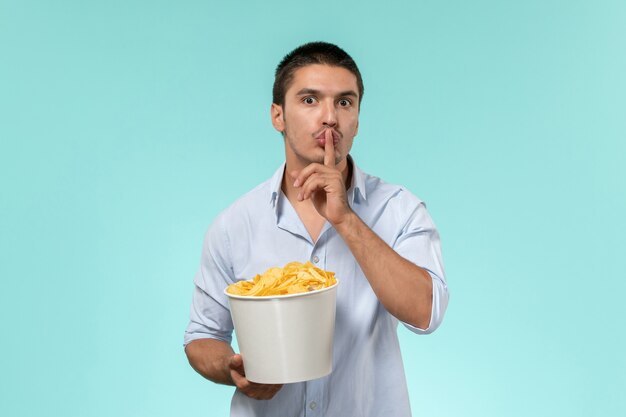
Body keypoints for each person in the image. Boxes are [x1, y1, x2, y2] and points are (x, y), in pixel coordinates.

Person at [184, 41, 449, 416]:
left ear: (357, 117)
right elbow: (202, 337)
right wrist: (233, 369)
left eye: (345, 102)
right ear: (278, 116)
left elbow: (426, 312)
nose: (330, 117)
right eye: (310, 100)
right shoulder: (234, 224)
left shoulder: (400, 209)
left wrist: (345, 219)